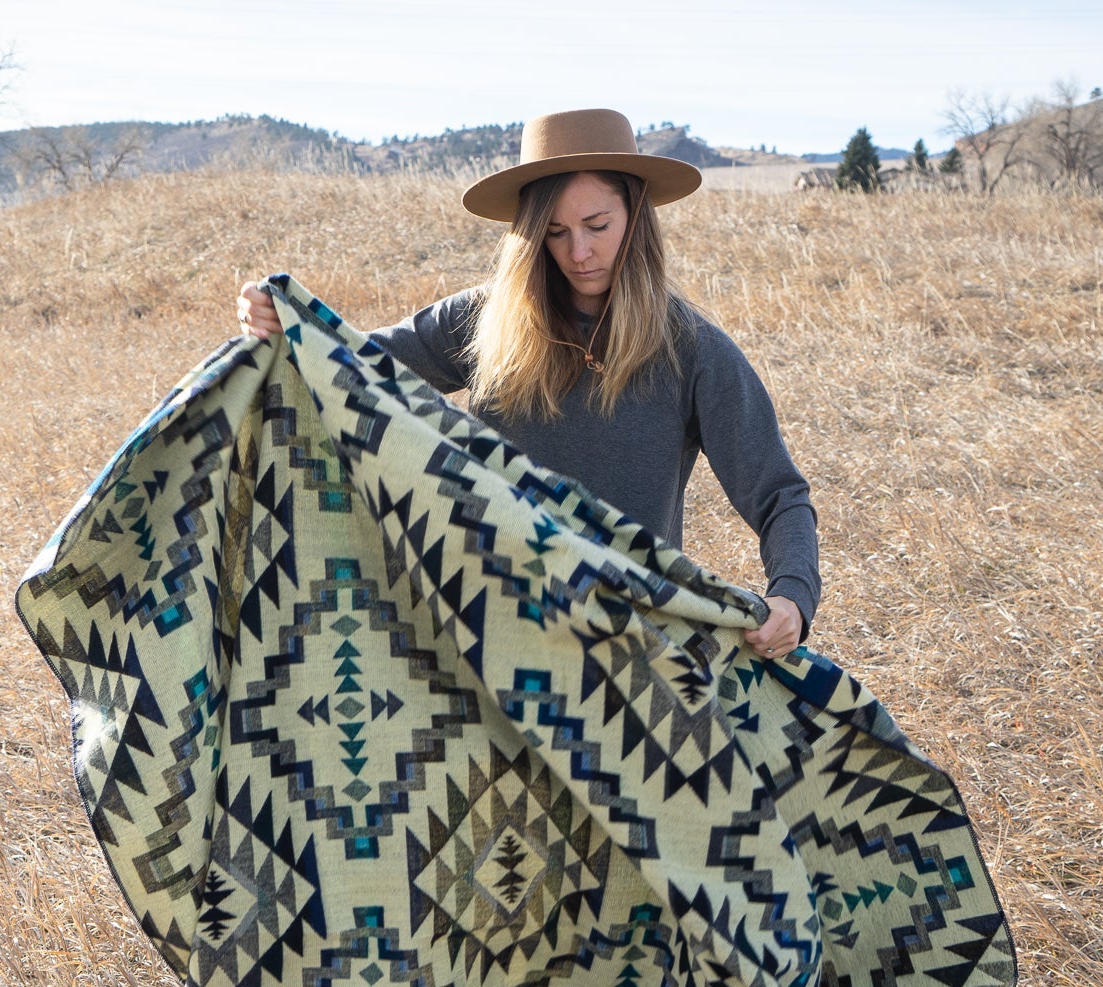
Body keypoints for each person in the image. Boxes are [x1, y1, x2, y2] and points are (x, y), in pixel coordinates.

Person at [236, 107, 818, 663]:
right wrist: (280, 323)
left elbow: (779, 495)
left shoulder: (691, 349)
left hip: (633, 644)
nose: (579, 253)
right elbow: (350, 368)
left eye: (597, 226)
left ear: (636, 217)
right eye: (556, 232)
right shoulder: (482, 323)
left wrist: (791, 594)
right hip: (485, 629)